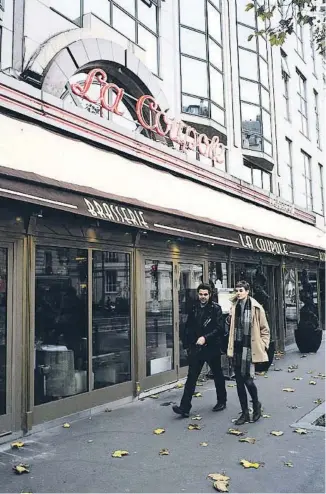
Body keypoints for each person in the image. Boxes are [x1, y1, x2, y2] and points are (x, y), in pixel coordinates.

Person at [172, 283, 227, 418]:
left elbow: (219, 328)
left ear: (210, 295)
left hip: (212, 347)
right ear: (198, 294)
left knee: (217, 374)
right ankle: (185, 408)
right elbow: (188, 327)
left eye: (205, 294)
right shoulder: (194, 308)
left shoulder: (216, 309)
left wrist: (205, 338)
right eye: (201, 294)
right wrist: (187, 345)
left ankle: (222, 401)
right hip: (197, 348)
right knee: (191, 377)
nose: (203, 297)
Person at [227, 280, 270, 425]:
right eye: (236, 290)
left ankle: (256, 404)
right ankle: (245, 412)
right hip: (237, 348)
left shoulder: (257, 308)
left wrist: (263, 345)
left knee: (248, 381)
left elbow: (265, 330)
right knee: (239, 382)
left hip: (250, 349)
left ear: (247, 291)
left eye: (241, 290)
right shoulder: (233, 306)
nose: (238, 293)